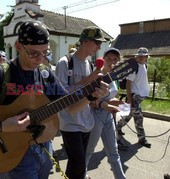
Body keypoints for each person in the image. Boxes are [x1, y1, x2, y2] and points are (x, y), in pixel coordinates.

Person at [0, 20, 108, 178]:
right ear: (18, 46)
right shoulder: (0, 74)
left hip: (45, 149)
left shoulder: (46, 74)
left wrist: (90, 96)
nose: (40, 58)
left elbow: (71, 107)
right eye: (34, 53)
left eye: (45, 53)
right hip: (18, 154)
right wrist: (1, 126)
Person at [55, 26, 107, 179]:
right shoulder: (65, 63)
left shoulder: (90, 64)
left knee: (77, 164)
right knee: (78, 162)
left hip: (87, 121)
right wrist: (89, 79)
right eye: (97, 42)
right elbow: (61, 94)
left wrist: (101, 94)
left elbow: (90, 97)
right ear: (85, 41)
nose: (99, 46)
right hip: (69, 122)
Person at [85, 48, 126, 179]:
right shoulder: (97, 75)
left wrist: (119, 103)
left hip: (108, 117)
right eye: (109, 59)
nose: (112, 62)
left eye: (115, 60)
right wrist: (105, 105)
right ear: (103, 59)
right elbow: (91, 101)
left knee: (113, 152)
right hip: (95, 116)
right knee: (89, 150)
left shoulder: (113, 76)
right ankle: (81, 174)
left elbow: (109, 97)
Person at [116, 47, 151, 148]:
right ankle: (142, 139)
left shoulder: (145, 66)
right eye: (139, 55)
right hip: (134, 95)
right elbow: (128, 83)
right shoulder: (134, 67)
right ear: (136, 56)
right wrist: (129, 99)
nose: (141, 57)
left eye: (143, 56)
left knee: (127, 114)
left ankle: (117, 127)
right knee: (139, 117)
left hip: (140, 96)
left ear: (147, 57)